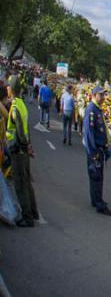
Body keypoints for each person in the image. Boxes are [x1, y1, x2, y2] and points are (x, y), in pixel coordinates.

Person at [6, 77, 39, 227]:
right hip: (24, 149)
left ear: (11, 89)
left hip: (18, 150)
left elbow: (19, 131)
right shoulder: (22, 104)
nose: (7, 88)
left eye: (8, 86)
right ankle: (33, 211)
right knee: (27, 182)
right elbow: (26, 130)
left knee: (20, 184)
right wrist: (29, 146)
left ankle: (27, 217)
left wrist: (23, 146)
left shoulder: (14, 107)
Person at [83, 86, 111, 216]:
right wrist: (93, 152)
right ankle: (99, 204)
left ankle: (95, 200)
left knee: (95, 176)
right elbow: (89, 134)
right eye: (101, 95)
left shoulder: (97, 109)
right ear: (95, 95)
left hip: (99, 149)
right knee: (97, 177)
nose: (104, 97)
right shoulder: (91, 110)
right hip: (95, 151)